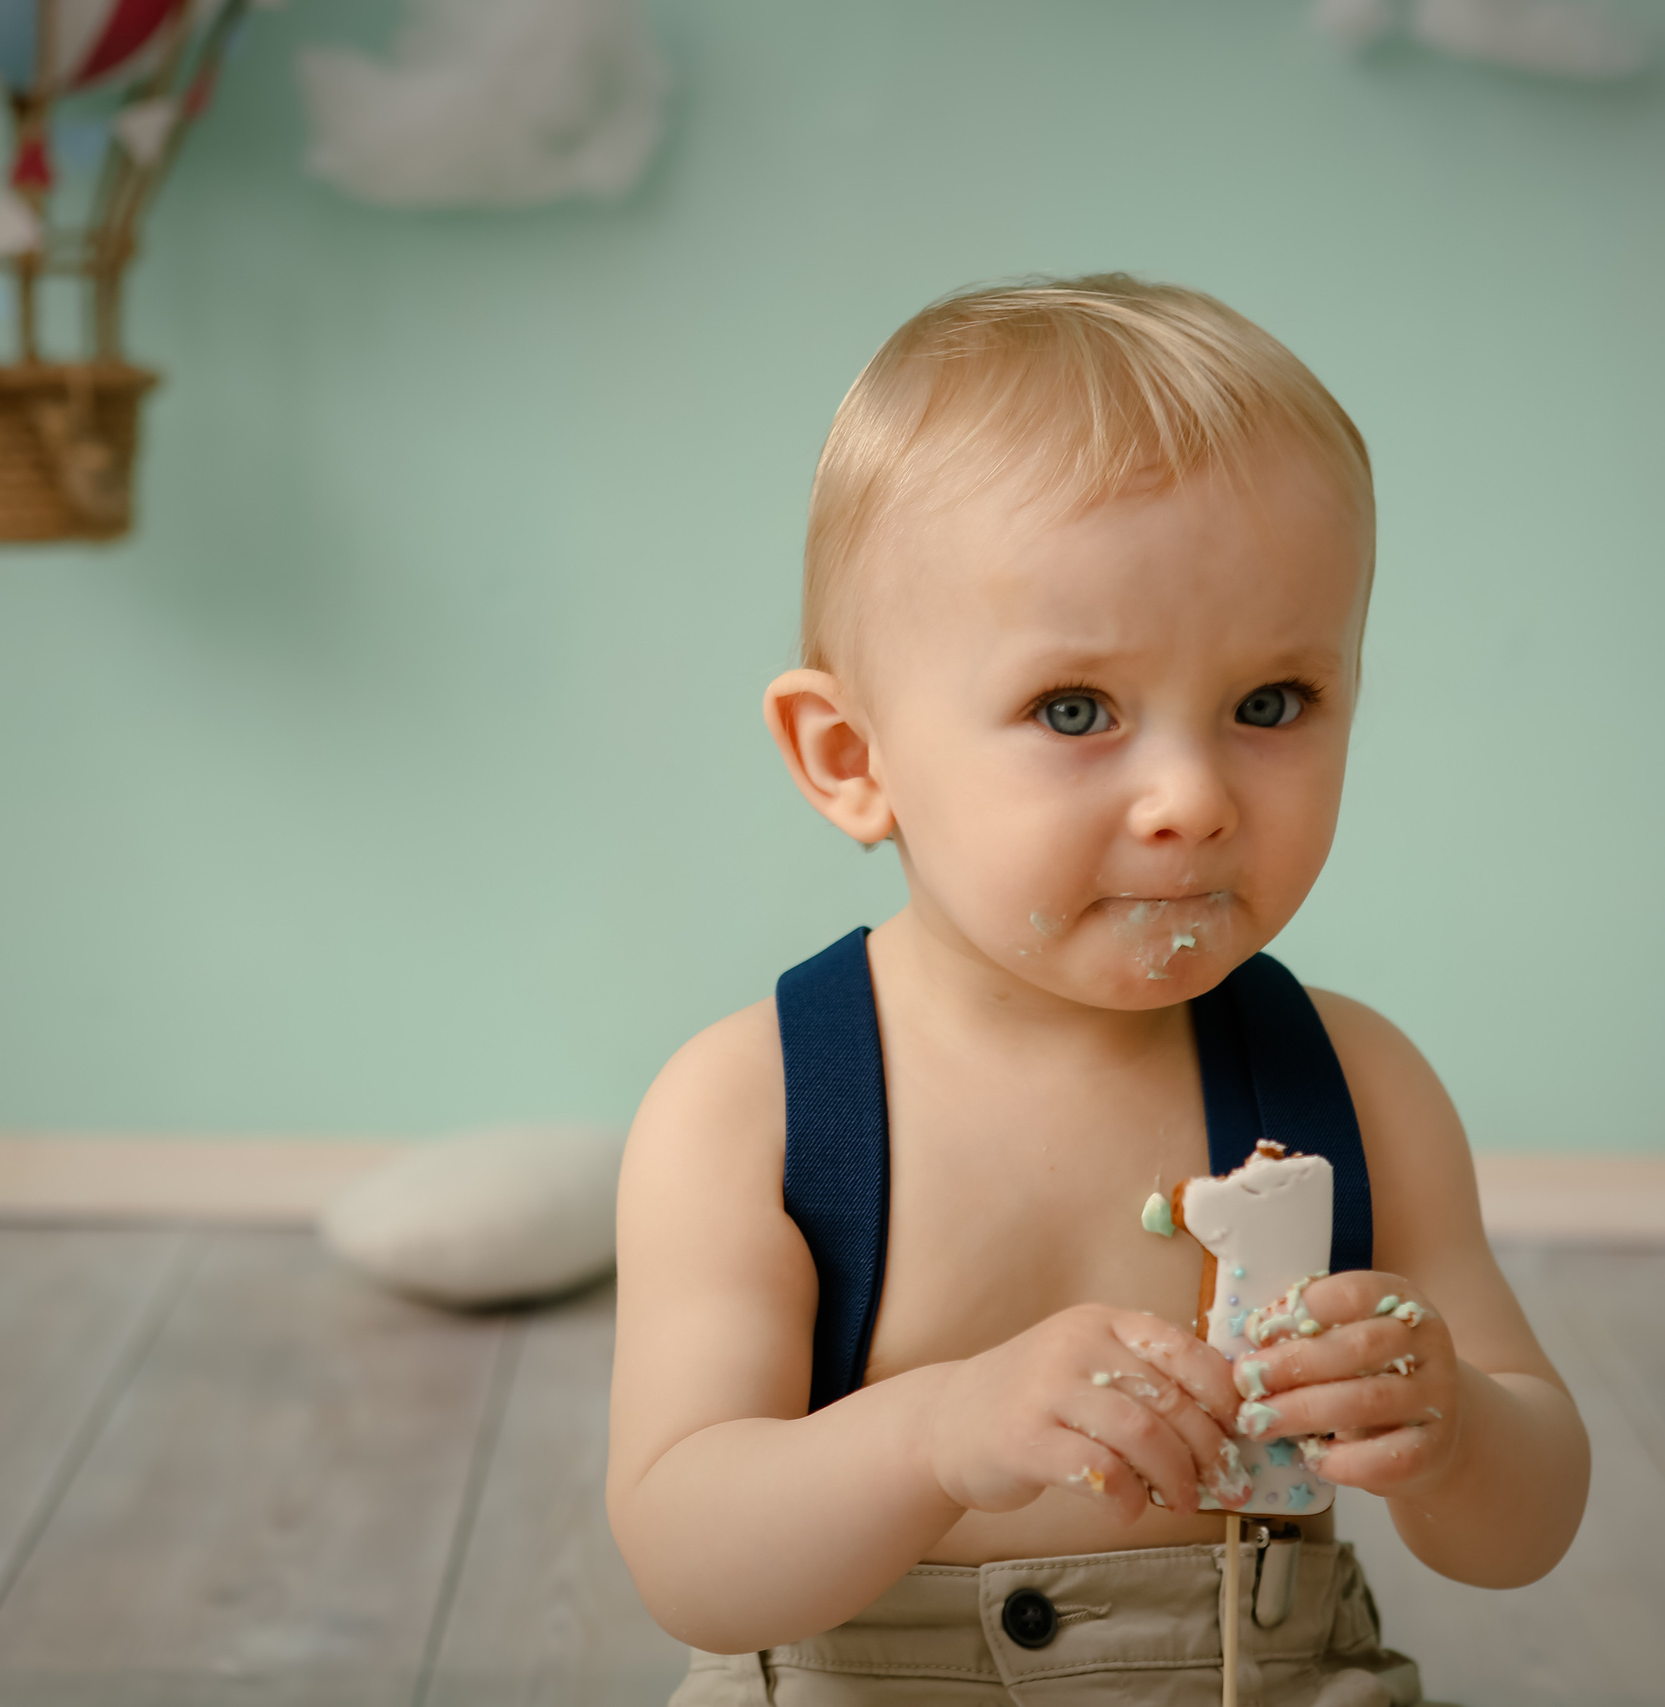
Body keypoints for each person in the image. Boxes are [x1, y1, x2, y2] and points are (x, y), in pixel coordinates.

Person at [606, 275, 1590, 1705]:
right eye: (1076, 712)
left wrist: (1451, 1429)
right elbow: (687, 1553)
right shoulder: (754, 1108)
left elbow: (1530, 1523)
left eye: (1272, 706)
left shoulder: (1354, 1086)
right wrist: (934, 1435)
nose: (1190, 798)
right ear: (849, 757)